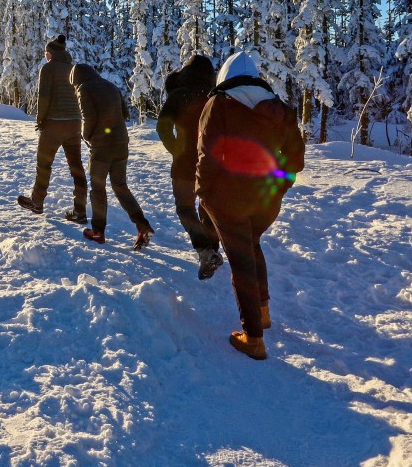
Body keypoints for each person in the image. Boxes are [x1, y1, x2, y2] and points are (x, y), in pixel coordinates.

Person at [195, 50, 305, 361]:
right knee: (252, 245)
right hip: (266, 199)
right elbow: (295, 160)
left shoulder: (217, 104)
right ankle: (263, 310)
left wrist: (202, 193)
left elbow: (208, 156)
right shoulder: (280, 109)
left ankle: (253, 338)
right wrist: (278, 185)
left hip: (227, 199)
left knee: (241, 259)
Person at [69, 63, 154, 248]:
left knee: (98, 188)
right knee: (121, 187)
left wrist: (86, 135)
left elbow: (88, 118)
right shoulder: (110, 85)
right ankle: (143, 226)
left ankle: (98, 232)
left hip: (101, 148)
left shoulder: (84, 89)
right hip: (122, 144)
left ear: (76, 80)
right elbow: (124, 113)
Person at [155, 54, 224, 280]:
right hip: (212, 163)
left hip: (184, 163)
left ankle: (206, 252)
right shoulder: (214, 96)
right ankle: (212, 249)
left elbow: (162, 128)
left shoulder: (177, 96)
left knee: (185, 208)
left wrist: (176, 149)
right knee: (208, 207)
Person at [17, 35, 87, 222]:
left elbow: (44, 96)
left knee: (44, 164)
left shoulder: (48, 69)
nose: (46, 56)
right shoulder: (73, 69)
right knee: (77, 168)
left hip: (54, 124)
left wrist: (40, 120)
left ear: (51, 53)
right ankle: (80, 211)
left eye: (47, 53)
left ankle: (37, 202)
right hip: (74, 123)